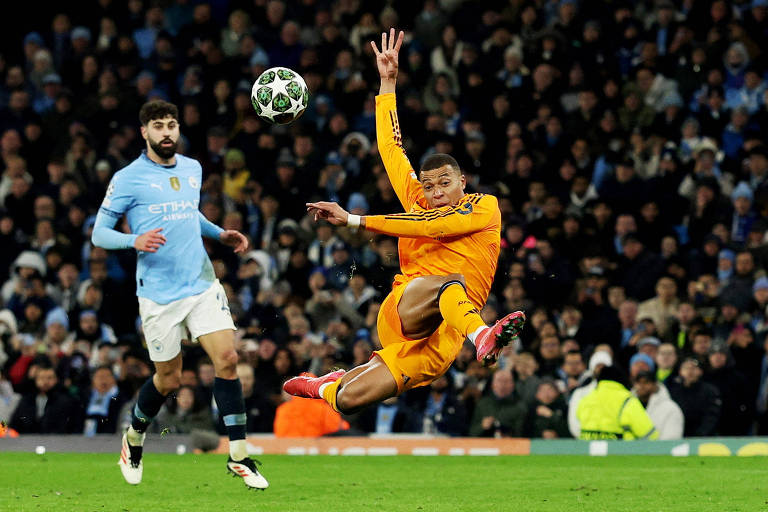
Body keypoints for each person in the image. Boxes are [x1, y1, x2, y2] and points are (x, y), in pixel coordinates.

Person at [283, 29, 525, 415]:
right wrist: (388, 83)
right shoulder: (418, 200)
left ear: (462, 182)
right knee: (450, 282)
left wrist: (356, 221)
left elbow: (434, 227)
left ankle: (326, 383)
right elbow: (391, 147)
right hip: (406, 309)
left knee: (349, 401)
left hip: (442, 338)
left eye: (445, 183)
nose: (435, 192)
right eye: (429, 186)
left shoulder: (484, 207)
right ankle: (483, 336)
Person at [91, 100, 267, 489]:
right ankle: (134, 438)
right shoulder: (128, 178)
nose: (167, 132)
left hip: (201, 282)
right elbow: (98, 233)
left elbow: (188, 212)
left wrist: (218, 232)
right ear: (144, 132)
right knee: (169, 380)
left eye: (171, 124)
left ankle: (238, 456)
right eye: (158, 126)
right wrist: (133, 238)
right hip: (158, 294)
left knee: (228, 357)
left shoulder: (192, 168)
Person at [576, 365, 659, 440]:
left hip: (587, 453)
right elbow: (650, 434)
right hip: (620, 454)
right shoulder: (627, 400)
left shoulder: (585, 399)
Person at [632, 369, 684, 440]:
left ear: (655, 384)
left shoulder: (670, 408)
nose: (642, 386)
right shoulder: (628, 406)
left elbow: (672, 438)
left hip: (659, 450)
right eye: (638, 382)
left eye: (646, 382)